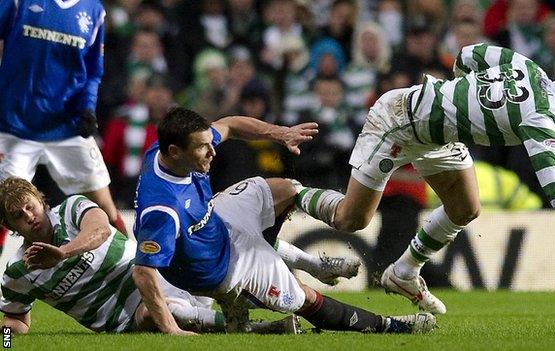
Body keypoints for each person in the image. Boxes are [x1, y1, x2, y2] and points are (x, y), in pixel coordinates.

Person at [294, 44, 555, 314]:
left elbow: (470, 54)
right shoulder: (541, 119)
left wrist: (460, 96)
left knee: (465, 207)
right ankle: (292, 192)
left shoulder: (526, 65)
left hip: (436, 135)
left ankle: (404, 272)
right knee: (351, 219)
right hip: (397, 122)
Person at [132, 107, 437, 335]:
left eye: (209, 143)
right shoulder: (162, 208)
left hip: (217, 222)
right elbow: (144, 272)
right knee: (302, 297)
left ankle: (336, 229)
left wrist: (280, 133)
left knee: (284, 189)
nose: (212, 151)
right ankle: (391, 327)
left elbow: (229, 125)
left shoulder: (170, 148)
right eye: (203, 147)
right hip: (222, 269)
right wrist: (172, 330)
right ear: (174, 152)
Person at [0, 177, 311, 334]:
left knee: (217, 251)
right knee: (161, 315)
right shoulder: (18, 273)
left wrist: (63, 253)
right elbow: (17, 321)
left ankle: (308, 269)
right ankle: (262, 328)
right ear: (9, 225)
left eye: (31, 205)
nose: (29, 216)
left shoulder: (71, 208)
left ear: (40, 199)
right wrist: (4, 341)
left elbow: (102, 230)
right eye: (18, 215)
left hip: (158, 273)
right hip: (127, 319)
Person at [0, 0, 127, 238]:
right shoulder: (18, 3)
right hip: (14, 127)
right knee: (8, 207)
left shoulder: (93, 11)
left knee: (105, 207)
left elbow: (93, 72)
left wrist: (88, 107)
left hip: (67, 127)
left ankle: (132, 265)